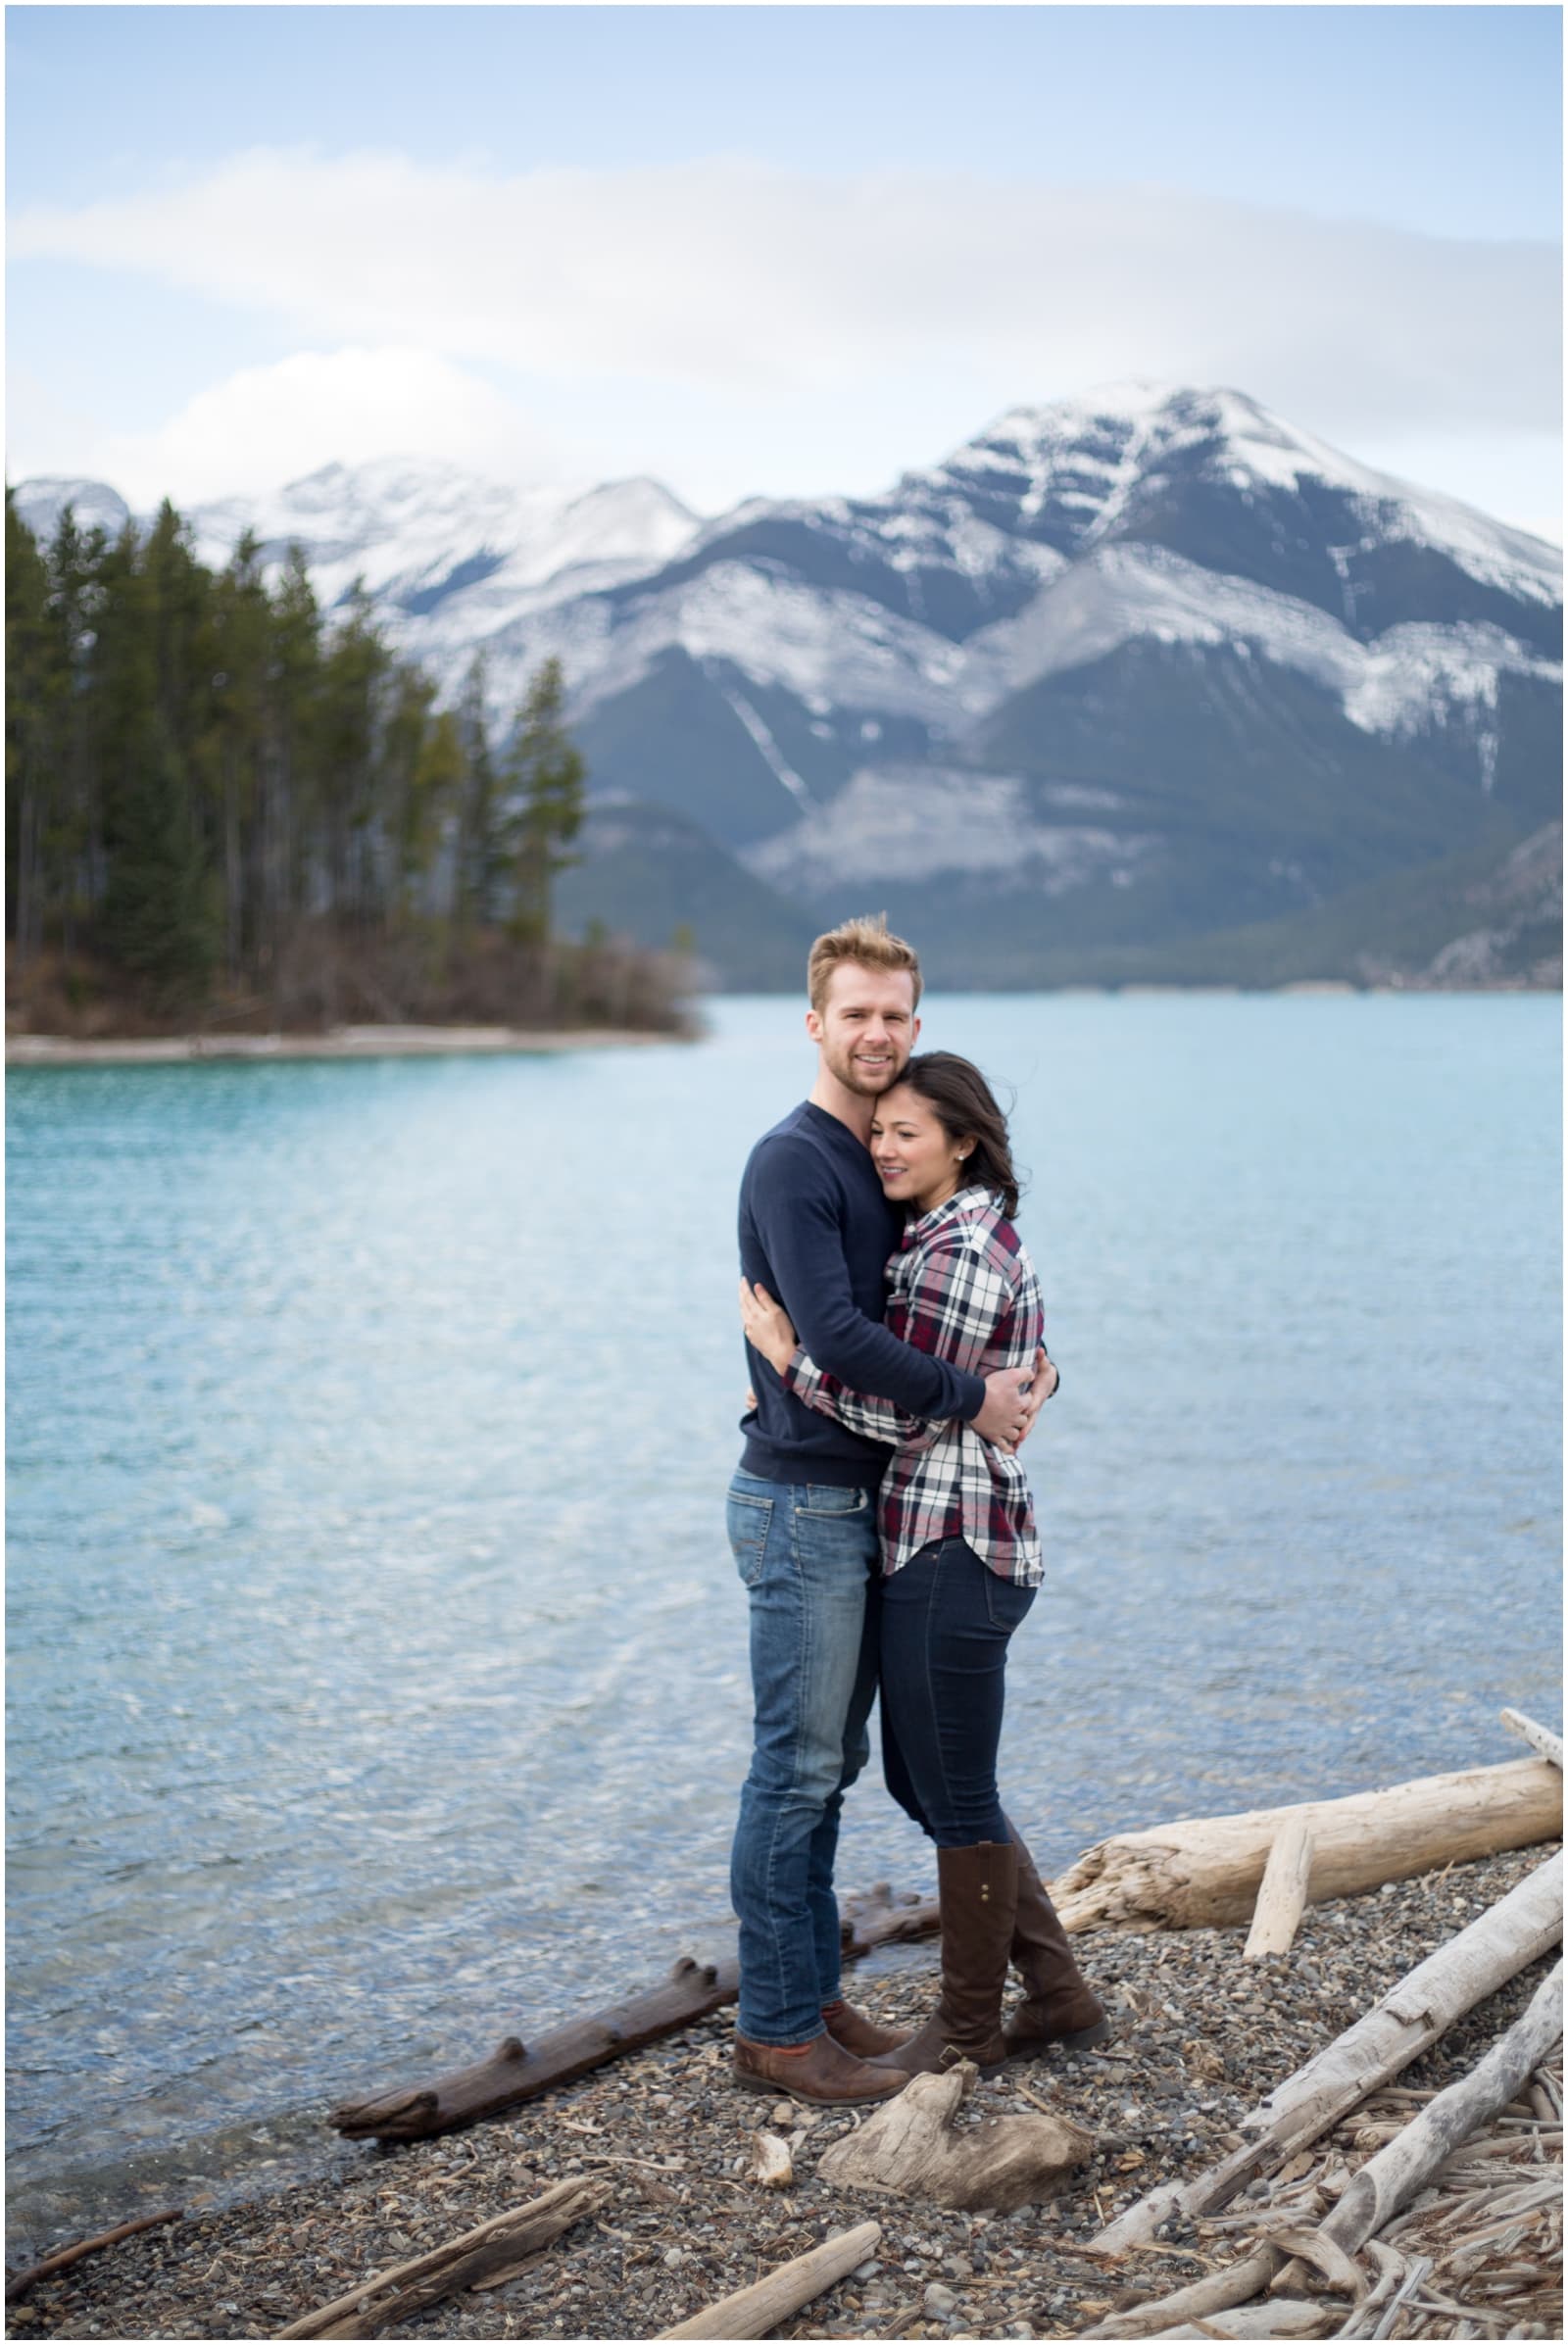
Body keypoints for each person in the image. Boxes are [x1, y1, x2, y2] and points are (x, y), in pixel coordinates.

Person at [729, 916, 1052, 2105]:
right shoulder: (796, 1159)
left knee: (831, 1764)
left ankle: (809, 1998)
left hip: (869, 1503)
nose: (875, 1033)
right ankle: (775, 2025)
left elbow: (968, 1294)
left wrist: (1031, 1371)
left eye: (895, 1015)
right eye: (854, 1013)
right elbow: (845, 1338)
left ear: (916, 1023)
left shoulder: (881, 1157)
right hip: (802, 1499)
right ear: (813, 1021)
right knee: (797, 1770)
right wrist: (980, 1398)